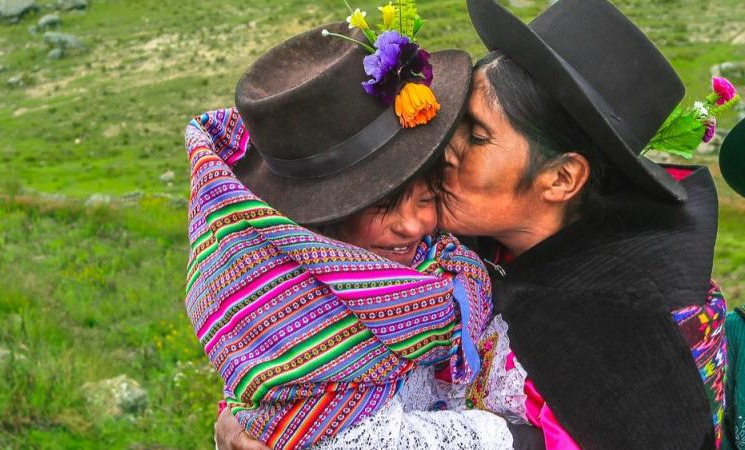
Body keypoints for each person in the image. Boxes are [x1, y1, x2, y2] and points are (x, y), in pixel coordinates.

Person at [185, 21, 542, 450]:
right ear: (315, 222)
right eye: (380, 204)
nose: (413, 225)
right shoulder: (295, 325)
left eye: (428, 196)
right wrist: (520, 440)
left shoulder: (438, 255)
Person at [432, 0, 729, 448]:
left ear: (561, 178)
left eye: (476, 136)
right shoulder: (468, 243)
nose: (446, 148)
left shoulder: (634, 341)